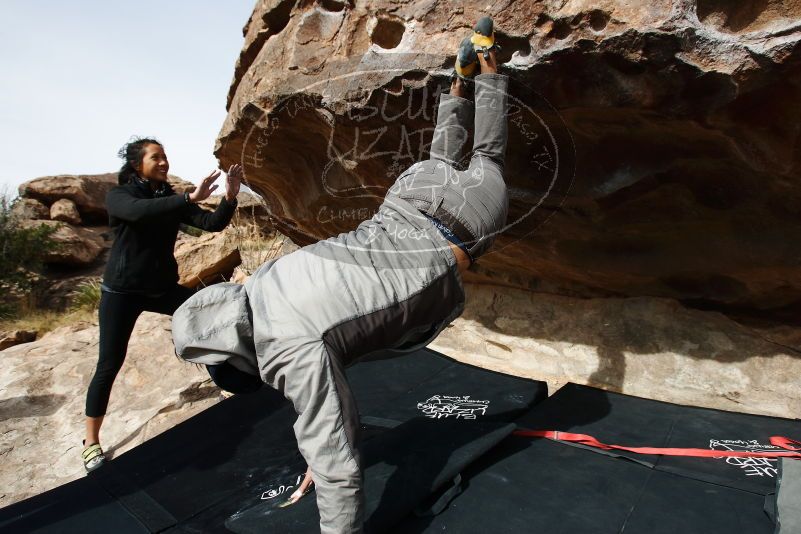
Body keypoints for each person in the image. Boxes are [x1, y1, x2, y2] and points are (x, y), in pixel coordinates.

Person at [172, 25, 508, 534]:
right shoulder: (263, 280)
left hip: (461, 224)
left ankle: (488, 74)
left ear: (247, 363)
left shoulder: (285, 353)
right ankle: (460, 84)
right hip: (408, 195)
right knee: (442, 160)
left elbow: (339, 464)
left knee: (487, 158)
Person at [81, 137, 243, 472]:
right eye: (156, 157)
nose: (164, 162)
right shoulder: (119, 196)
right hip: (122, 293)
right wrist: (187, 197)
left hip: (162, 288)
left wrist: (229, 197)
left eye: (165, 156)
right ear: (137, 164)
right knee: (109, 364)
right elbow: (138, 213)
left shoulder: (169, 197)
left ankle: (230, 383)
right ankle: (91, 442)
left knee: (208, 326)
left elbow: (210, 224)